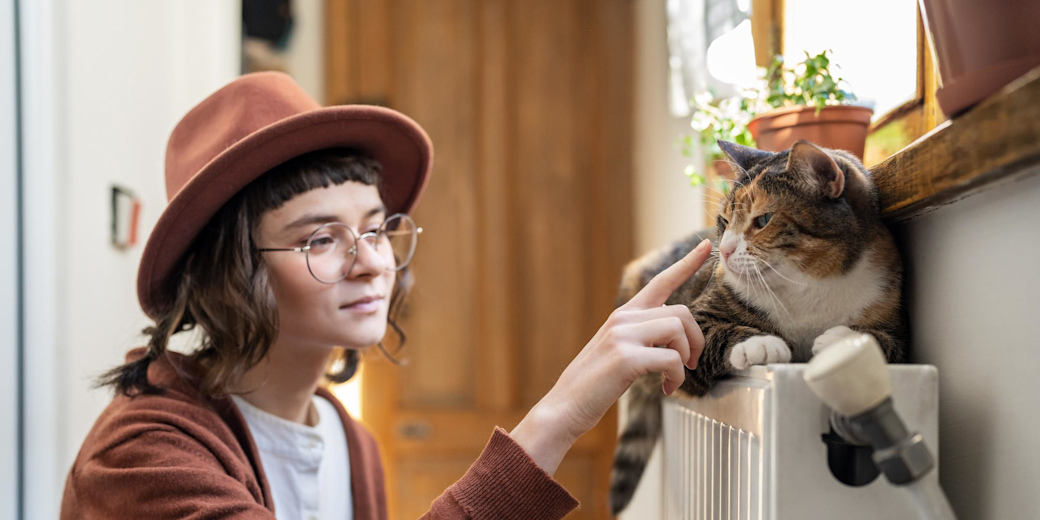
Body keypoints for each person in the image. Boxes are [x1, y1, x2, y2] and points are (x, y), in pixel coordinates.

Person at [60, 72, 710, 520]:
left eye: (376, 229)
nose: (372, 262)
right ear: (230, 273)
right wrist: (563, 412)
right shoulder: (141, 453)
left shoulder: (350, 443)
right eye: (320, 240)